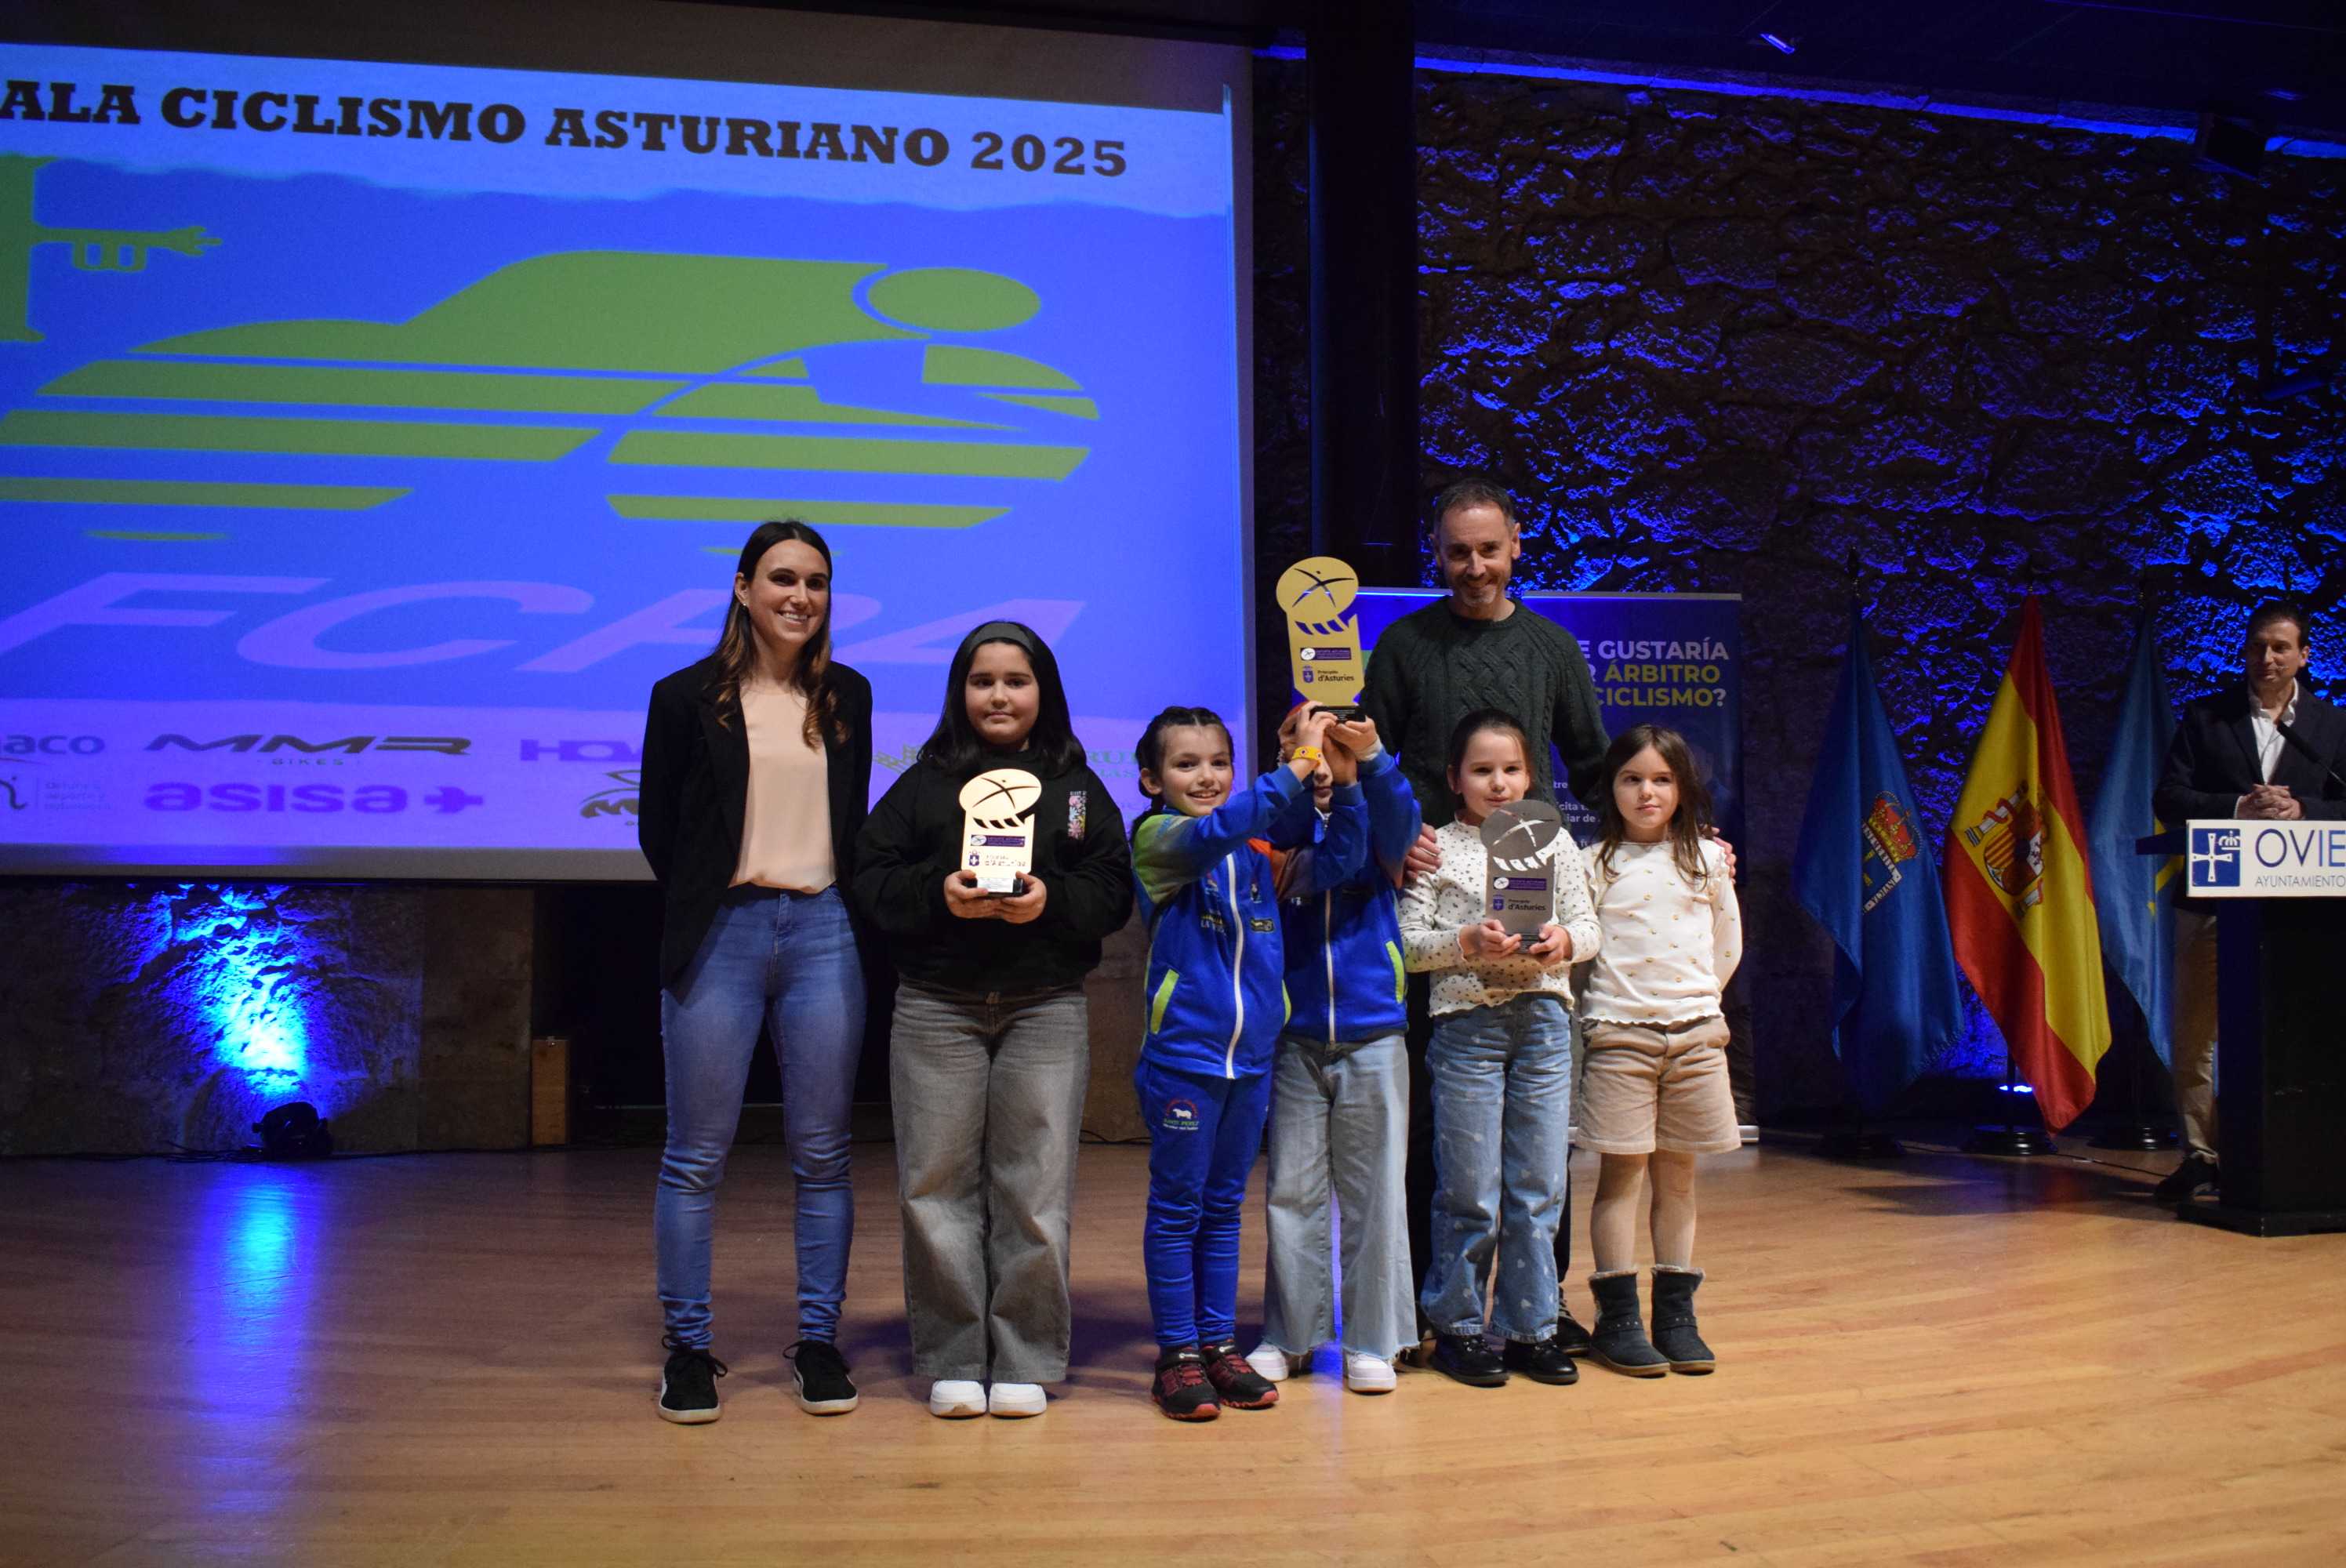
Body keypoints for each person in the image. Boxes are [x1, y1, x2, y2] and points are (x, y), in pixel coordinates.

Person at [852, 622, 1132, 1420]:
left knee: (1034, 1192)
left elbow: (1111, 887)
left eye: (1016, 679)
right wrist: (938, 893)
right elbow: (871, 876)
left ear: (1043, 689)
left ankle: (1025, 1356)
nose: (1000, 695)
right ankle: (951, 1357)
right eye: (983, 681)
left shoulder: (1077, 786)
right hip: (936, 1007)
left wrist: (1051, 899)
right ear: (959, 691)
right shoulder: (922, 783)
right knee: (934, 1187)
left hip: (1043, 1006)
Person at [1359, 477, 1611, 1355]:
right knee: (1447, 1135)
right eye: (1457, 550)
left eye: (1489, 548)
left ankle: (1540, 1310)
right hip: (1439, 900)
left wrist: (1683, 838)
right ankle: (1445, 1313)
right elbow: (1367, 768)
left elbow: (1592, 764)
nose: (1474, 566)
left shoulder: (1549, 649)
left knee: (1544, 1148)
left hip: (1530, 896)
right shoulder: (1402, 645)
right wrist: (1391, 847)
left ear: (1514, 546)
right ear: (1438, 552)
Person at [637, 519, 873, 1425]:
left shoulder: (846, 693)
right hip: (722, 932)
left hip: (823, 933)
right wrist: (721, 899)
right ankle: (688, 1351)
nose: (799, 597)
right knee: (695, 1156)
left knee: (823, 1154)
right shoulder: (684, 694)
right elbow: (662, 830)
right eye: (781, 578)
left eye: (815, 581)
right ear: (742, 587)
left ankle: (818, 1341)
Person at [1128, 702, 1336, 1420]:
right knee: (1179, 1207)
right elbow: (1219, 826)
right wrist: (1297, 766)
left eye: (1220, 762)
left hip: (1249, 1063)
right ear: (1152, 781)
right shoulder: (1160, 839)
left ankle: (1218, 1345)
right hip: (1184, 1061)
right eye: (1186, 765)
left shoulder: (1253, 849)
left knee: (1224, 1209)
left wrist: (1309, 769)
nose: (1208, 776)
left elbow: (1312, 833)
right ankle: (1177, 1354)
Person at [1396, 709, 1600, 1388]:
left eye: (1511, 769)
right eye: (1482, 770)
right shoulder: (1435, 846)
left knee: (1540, 1186)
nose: (1499, 783)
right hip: (1466, 1027)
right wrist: (1466, 943)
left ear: (1531, 776)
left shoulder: (1554, 843)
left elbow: (1587, 926)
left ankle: (1528, 1327)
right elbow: (1405, 945)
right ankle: (1455, 1324)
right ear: (1456, 779)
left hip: (1544, 1023)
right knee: (1471, 1188)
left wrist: (1563, 944)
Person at [1244, 705, 1422, 1396]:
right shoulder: (1277, 822)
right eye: (1307, 737)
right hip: (1295, 1035)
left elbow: (1399, 823)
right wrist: (1296, 763)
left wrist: (1370, 761)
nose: (1325, 751)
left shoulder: (1376, 816)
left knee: (1377, 1193)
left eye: (1336, 735)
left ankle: (1373, 1340)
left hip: (1374, 1030)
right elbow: (1284, 832)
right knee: (1291, 1189)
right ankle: (1289, 1335)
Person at [2150, 600, 2346, 1202]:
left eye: (2281, 648)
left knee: (2294, 1030)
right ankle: (2202, 1155)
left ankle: (2293, 1150)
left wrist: (2302, 810)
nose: (2267, 658)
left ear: (2304, 656)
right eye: (2258, 646)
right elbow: (2170, 796)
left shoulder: (2332, 728)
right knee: (2197, 1033)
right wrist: (2240, 808)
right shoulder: (2208, 718)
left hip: (2301, 917)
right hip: (2213, 905)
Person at [1574, 726, 1743, 1377]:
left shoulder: (1704, 858)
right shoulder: (1594, 865)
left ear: (1682, 788)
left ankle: (1676, 1313)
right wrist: (1616, 1013)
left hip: (1696, 1034)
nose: (1648, 792)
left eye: (1663, 780)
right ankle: (1618, 1316)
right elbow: (1584, 958)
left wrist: (1693, 1004)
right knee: (1622, 1175)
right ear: (1612, 786)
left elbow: (1726, 944)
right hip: (1619, 1037)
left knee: (1679, 1176)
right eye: (1632, 779)